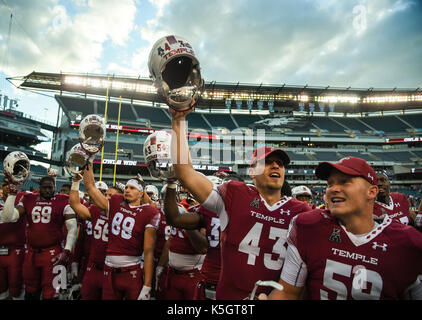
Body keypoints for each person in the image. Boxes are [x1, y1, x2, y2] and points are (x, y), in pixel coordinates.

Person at [169, 107, 311, 299]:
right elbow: (186, 175)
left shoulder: (301, 211)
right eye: (267, 162)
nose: (276, 165)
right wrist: (178, 120)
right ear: (252, 172)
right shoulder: (235, 194)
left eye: (280, 163)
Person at [263, 157, 422, 300]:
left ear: (372, 191)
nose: (333, 188)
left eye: (345, 181)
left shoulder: (407, 242)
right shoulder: (308, 227)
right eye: (330, 184)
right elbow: (287, 292)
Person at [82, 165, 160, 300]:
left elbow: (148, 251)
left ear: (141, 193)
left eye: (132, 188)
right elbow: (91, 188)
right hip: (109, 269)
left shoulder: (149, 212)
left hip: (131, 271)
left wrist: (147, 285)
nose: (127, 190)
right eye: (127, 187)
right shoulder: (116, 202)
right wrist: (89, 161)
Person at [1, 176, 78, 299]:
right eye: (44, 187)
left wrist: (67, 250)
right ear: (39, 188)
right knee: (30, 292)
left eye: (50, 187)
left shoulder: (63, 200)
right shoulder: (28, 199)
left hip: (53, 253)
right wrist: (12, 194)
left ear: (55, 187)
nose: (47, 190)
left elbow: (72, 228)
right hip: (32, 253)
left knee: (53, 293)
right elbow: (8, 217)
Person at [69, 176, 119, 299]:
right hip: (93, 266)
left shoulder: (123, 215)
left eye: (110, 195)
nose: (106, 197)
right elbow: (75, 204)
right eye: (105, 194)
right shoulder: (96, 210)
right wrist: (75, 183)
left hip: (113, 269)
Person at [160, 181, 208, 300]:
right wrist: (160, 266)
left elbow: (202, 248)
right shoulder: (179, 209)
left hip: (194, 273)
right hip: (173, 272)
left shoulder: (204, 211)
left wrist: (184, 222)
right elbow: (171, 239)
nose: (184, 192)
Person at [0, 177, 26, 300]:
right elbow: (5, 216)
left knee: (17, 291)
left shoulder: (21, 202)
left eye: (11, 183)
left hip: (16, 252)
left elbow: (10, 217)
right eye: (5, 184)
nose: (8, 186)